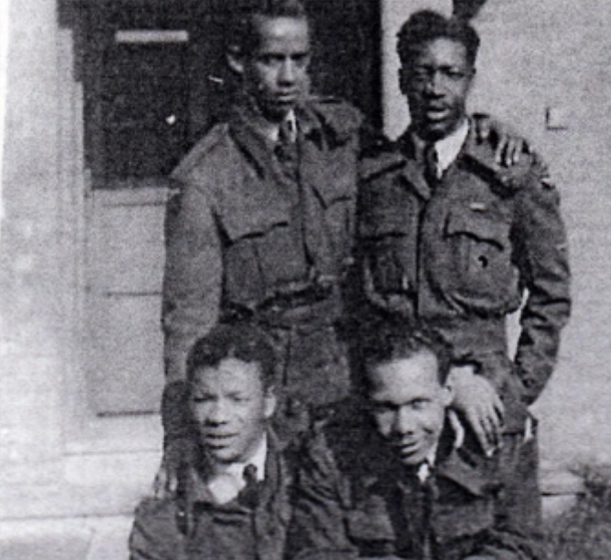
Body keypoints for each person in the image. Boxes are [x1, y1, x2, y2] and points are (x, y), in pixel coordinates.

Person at [159, 0, 530, 477]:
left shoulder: (342, 133)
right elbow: (188, 325)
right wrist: (180, 435)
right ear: (239, 61)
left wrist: (481, 128)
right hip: (271, 387)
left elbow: (418, 160)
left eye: (301, 59)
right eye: (272, 60)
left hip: (353, 374)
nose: (289, 76)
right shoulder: (205, 179)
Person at [357, 10, 571, 540]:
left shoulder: (509, 176)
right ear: (404, 77)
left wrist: (516, 392)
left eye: (451, 73)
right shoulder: (375, 178)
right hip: (401, 409)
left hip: (487, 411)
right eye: (423, 72)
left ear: (470, 79)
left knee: (493, 543)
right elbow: (360, 300)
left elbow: (551, 294)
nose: (435, 88)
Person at [286, 318, 539, 560]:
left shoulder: (502, 444)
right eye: (386, 408)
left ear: (448, 391)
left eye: (418, 404)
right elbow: (319, 553)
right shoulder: (331, 454)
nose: (403, 427)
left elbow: (522, 545)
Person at [130, 321, 292, 560]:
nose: (218, 417)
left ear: (268, 402)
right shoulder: (165, 514)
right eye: (204, 399)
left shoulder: (307, 481)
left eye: (237, 400)